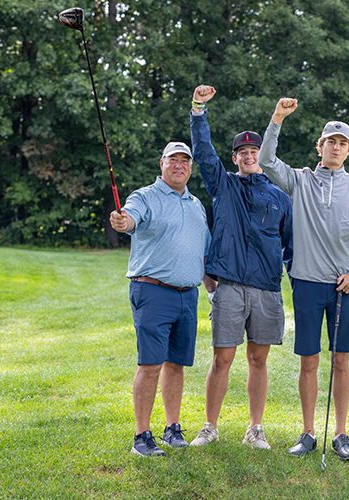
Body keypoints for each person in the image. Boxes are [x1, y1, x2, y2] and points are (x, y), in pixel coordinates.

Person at [258, 98, 349, 461]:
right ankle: (308, 432)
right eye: (330, 142)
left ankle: (340, 434)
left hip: (343, 286)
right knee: (309, 360)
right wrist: (277, 118)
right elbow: (265, 162)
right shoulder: (300, 179)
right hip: (306, 282)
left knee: (342, 361)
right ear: (320, 146)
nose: (336, 147)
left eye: (342, 143)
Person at [187, 85, 293, 450]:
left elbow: (290, 245)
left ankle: (255, 429)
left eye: (254, 151)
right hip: (229, 286)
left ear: (261, 155)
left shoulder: (280, 197)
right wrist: (199, 110)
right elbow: (202, 152)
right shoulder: (223, 185)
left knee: (258, 359)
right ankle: (209, 427)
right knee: (223, 357)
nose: (249, 156)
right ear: (235, 158)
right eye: (243, 152)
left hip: (266, 287)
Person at [109, 141, 215, 457]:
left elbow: (202, 254)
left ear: (191, 167)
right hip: (153, 290)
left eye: (185, 160)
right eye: (173, 160)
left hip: (188, 295)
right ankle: (142, 436)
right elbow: (129, 219)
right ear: (162, 164)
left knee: (176, 364)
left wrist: (213, 289)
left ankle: (172, 429)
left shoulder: (196, 204)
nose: (179, 165)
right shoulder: (145, 197)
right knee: (151, 363)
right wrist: (123, 222)